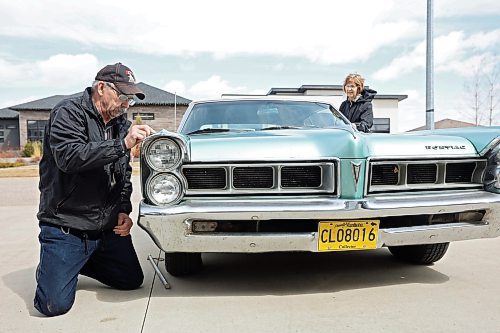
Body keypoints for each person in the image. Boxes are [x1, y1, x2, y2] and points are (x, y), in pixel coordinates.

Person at [34, 63, 156, 316]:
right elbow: (69, 157)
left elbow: (123, 172)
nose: (125, 104)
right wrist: (122, 144)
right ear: (101, 88)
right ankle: (59, 263)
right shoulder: (68, 112)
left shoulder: (120, 121)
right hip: (67, 225)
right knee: (53, 306)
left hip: (105, 229)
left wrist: (123, 209)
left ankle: (78, 262)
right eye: (122, 96)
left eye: (130, 99)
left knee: (131, 280)